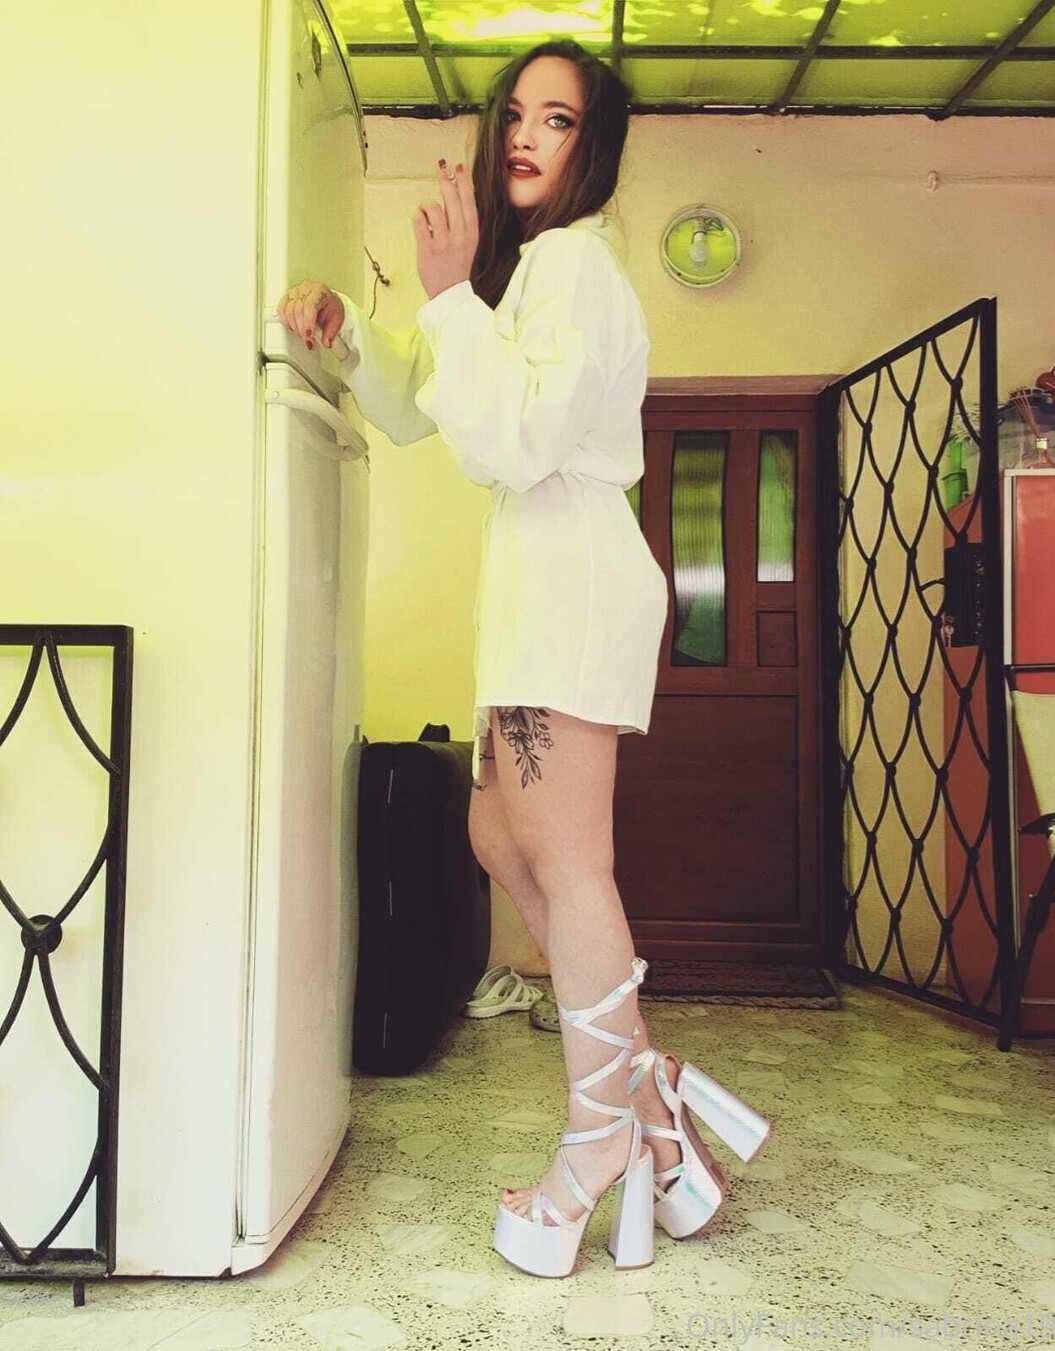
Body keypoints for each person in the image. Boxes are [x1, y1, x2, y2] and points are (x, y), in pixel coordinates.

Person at [277, 38, 771, 1279]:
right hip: (535, 584)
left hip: (570, 579)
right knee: (501, 835)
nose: (525, 136)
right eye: (516, 114)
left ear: (592, 149)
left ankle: (602, 1139)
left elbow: (516, 440)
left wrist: (449, 293)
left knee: (563, 856)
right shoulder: (524, 276)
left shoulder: (577, 263)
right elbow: (422, 402)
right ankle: (651, 1097)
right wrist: (349, 333)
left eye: (558, 120)